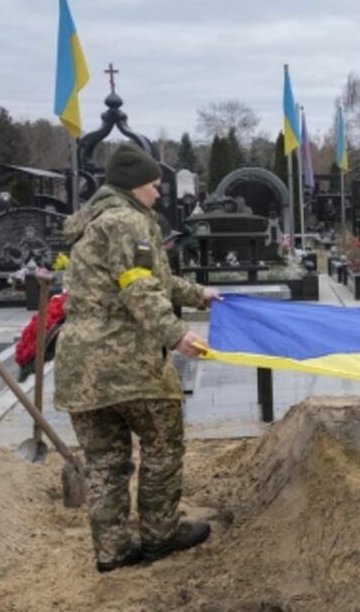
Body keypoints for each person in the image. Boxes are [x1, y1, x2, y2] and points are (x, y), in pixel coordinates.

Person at [54, 143, 222, 573]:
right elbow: (138, 288)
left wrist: (198, 293)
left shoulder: (93, 223)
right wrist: (177, 333)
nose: (158, 194)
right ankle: (159, 536)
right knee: (163, 446)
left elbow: (150, 278)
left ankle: (111, 551)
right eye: (153, 186)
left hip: (82, 370)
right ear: (134, 186)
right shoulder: (129, 221)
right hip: (128, 364)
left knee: (105, 463)